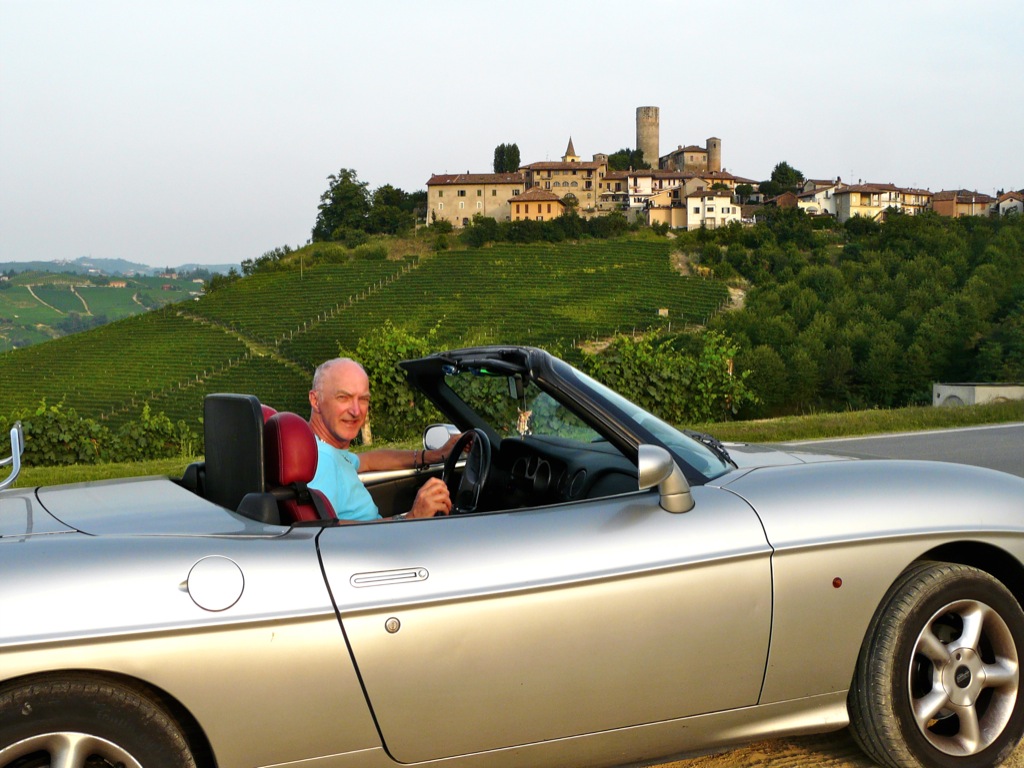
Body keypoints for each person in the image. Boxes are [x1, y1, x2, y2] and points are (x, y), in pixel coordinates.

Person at [307, 357, 461, 521]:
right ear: (315, 400)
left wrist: (434, 455)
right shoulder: (323, 460)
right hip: (378, 544)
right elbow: (324, 530)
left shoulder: (328, 451)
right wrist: (411, 517)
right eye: (343, 397)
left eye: (363, 399)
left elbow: (368, 460)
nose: (356, 411)